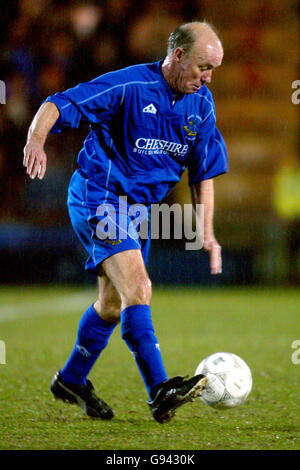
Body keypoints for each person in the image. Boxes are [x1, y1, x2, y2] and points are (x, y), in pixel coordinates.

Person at [23, 21, 228, 424]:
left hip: (139, 212)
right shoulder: (129, 86)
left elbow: (202, 170)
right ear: (179, 55)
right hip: (99, 198)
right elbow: (59, 103)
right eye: (203, 67)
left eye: (214, 70)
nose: (207, 78)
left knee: (113, 305)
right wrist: (35, 139)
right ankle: (159, 390)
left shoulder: (201, 105)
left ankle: (71, 379)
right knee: (139, 287)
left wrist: (206, 230)